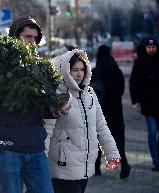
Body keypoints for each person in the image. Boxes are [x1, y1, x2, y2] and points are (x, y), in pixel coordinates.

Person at [0, 15, 69, 193]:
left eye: (35, 38)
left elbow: (40, 106)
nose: (32, 42)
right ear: (16, 37)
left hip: (34, 146)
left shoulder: (38, 69)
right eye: (27, 37)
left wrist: (53, 110)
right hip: (7, 147)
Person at [48, 49, 120, 193]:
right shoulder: (57, 94)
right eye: (74, 70)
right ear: (65, 70)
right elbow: (46, 130)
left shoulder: (90, 93)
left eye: (82, 69)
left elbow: (101, 126)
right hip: (63, 167)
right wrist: (38, 165)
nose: (79, 74)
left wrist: (112, 154)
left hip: (84, 166)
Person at [129, 36, 159, 172]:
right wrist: (135, 101)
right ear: (145, 48)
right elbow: (133, 83)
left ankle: (157, 149)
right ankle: (155, 161)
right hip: (147, 104)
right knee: (153, 132)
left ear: (157, 47)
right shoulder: (140, 62)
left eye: (153, 47)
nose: (151, 49)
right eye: (149, 47)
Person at [92, 45, 131, 179]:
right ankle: (124, 164)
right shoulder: (117, 71)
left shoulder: (95, 72)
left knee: (97, 140)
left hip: (100, 112)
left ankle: (96, 167)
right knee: (118, 140)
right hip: (116, 112)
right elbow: (121, 91)